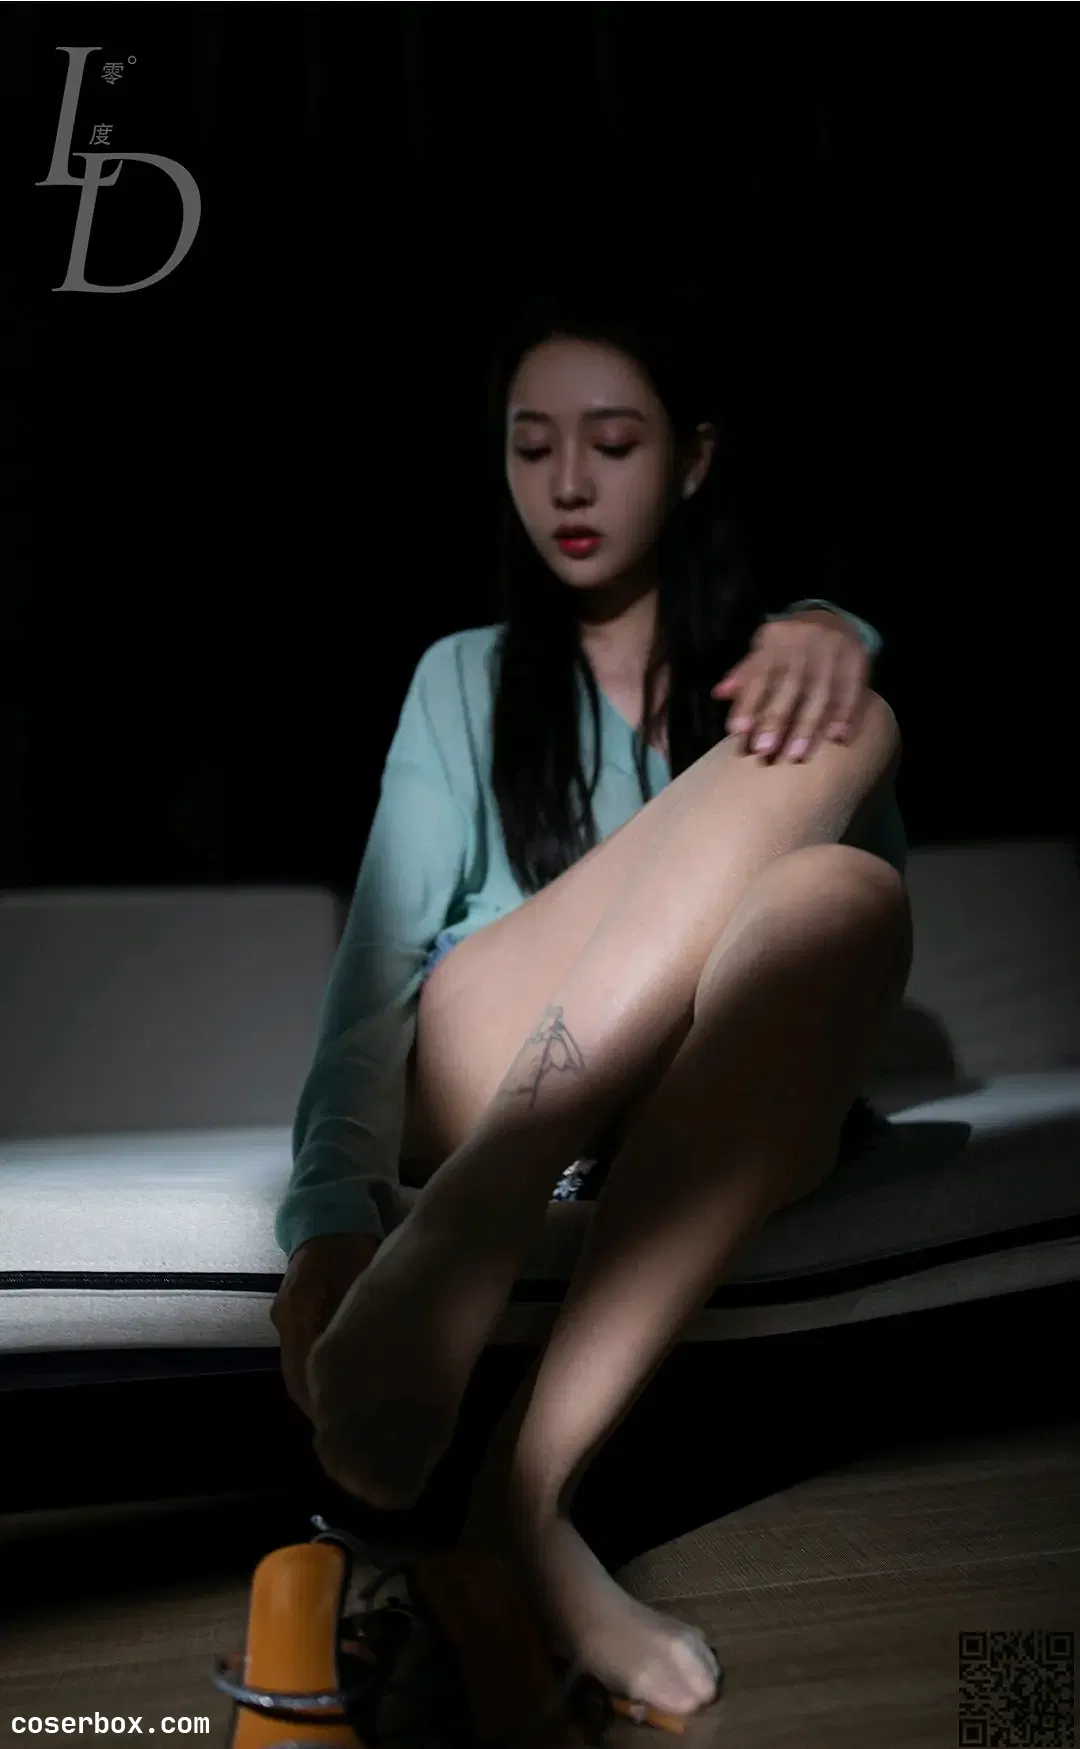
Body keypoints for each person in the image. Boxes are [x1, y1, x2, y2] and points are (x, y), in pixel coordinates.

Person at [271, 280, 910, 1718]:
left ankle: (522, 1498)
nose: (565, 482)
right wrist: (326, 1214)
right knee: (846, 706)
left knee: (841, 874)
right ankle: (478, 1208)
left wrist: (832, 627)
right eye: (531, 444)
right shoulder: (464, 679)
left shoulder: (775, 672)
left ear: (691, 459)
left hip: (710, 1091)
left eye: (612, 443)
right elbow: (376, 971)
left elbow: (842, 973)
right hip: (493, 1063)